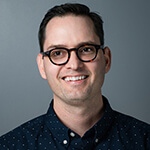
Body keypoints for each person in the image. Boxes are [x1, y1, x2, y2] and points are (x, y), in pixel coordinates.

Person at [0, 3, 149, 150]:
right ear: (42, 66)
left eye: (86, 49)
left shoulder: (144, 140)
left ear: (107, 60)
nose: (74, 64)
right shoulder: (9, 146)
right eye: (57, 53)